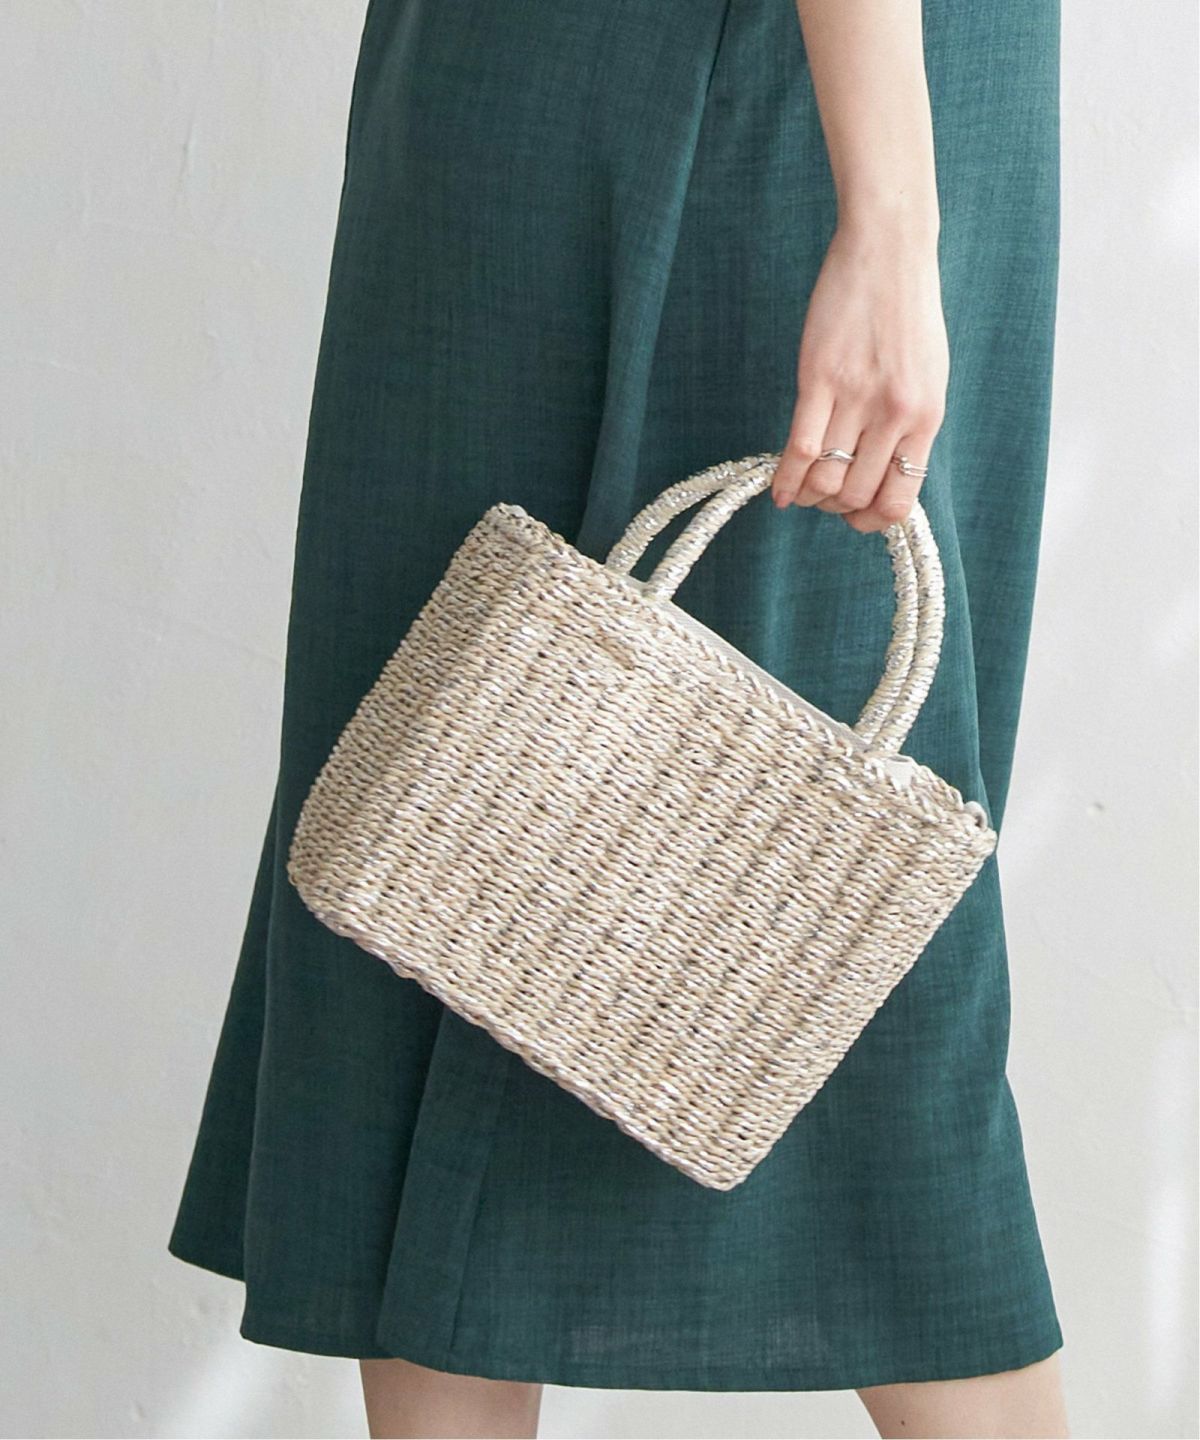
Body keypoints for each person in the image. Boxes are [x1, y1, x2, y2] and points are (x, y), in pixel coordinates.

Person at [168, 1, 1070, 1436]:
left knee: (515, 851)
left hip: (726, 101)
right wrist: (892, 217)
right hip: (774, 112)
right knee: (520, 867)